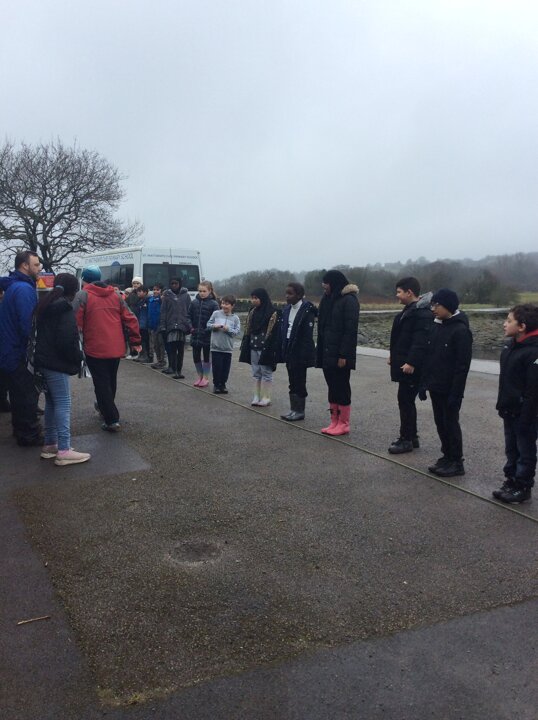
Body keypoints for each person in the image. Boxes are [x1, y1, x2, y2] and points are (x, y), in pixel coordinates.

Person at [73, 265, 141, 432]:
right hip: (116, 346)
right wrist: (135, 341)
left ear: (84, 280)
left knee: (101, 382)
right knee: (111, 380)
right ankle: (105, 407)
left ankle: (111, 418)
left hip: (95, 346)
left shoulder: (83, 295)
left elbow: (76, 321)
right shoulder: (116, 295)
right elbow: (131, 318)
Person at [35, 273, 90, 466]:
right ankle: (64, 450)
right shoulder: (64, 309)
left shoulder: (46, 305)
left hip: (44, 361)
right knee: (64, 403)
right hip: (57, 364)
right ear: (73, 291)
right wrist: (78, 357)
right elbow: (67, 341)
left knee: (51, 402)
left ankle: (51, 444)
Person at [420, 288, 473, 477]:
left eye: (437, 305)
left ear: (448, 306)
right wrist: (423, 384)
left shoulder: (460, 330)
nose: (433, 309)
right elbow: (429, 357)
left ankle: (456, 461)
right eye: (432, 305)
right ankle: (447, 455)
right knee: (440, 422)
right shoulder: (436, 326)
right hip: (436, 386)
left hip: (450, 389)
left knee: (450, 423)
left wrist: (456, 394)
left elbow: (462, 367)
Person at [492, 304, 538, 504]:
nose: (504, 324)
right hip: (509, 409)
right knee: (511, 449)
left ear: (522, 326)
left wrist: (526, 418)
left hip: (525, 414)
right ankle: (511, 480)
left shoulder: (533, 352)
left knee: (525, 451)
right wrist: (502, 404)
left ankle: (523, 486)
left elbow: (533, 391)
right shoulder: (509, 347)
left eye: (509, 321)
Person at [0, 250, 43, 445]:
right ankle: (29, 435)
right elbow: (28, 325)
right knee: (26, 396)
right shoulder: (24, 290)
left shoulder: (14, 286)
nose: (39, 268)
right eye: (36, 265)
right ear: (25, 266)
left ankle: (21, 431)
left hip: (9, 351)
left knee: (18, 396)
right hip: (18, 353)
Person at [387, 277, 433, 453]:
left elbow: (420, 341)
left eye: (399, 292)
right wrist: (393, 356)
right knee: (405, 401)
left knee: (406, 401)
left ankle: (406, 439)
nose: (397, 295)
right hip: (404, 363)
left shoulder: (421, 313)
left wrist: (411, 362)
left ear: (409, 292)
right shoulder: (410, 310)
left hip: (412, 368)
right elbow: (403, 338)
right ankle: (412, 437)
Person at [316, 270, 360, 435]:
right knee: (332, 387)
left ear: (334, 283)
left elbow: (350, 331)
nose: (324, 286)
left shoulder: (349, 300)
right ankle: (334, 421)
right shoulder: (327, 299)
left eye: (326, 283)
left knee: (342, 387)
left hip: (340, 354)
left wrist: (343, 355)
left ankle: (344, 423)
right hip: (327, 351)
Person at [279, 282, 317, 421]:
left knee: (299, 381)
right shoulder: (287, 309)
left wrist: (304, 354)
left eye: (290, 293)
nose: (287, 296)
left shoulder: (307, 310)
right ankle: (293, 409)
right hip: (288, 348)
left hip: (300, 351)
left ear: (299, 295)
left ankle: (300, 410)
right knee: (292, 381)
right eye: (286, 293)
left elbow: (307, 335)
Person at [239, 288, 280, 407]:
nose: (253, 300)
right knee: (256, 372)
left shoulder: (273, 313)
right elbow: (248, 329)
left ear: (262, 298)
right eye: (252, 298)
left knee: (266, 372)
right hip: (253, 346)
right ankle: (256, 396)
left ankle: (266, 397)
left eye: (256, 298)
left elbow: (275, 332)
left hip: (266, 348)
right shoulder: (252, 312)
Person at [207, 295, 241, 394]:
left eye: (227, 304)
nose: (224, 306)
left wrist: (228, 329)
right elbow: (208, 325)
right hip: (216, 347)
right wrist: (214, 326)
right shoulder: (216, 314)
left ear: (232, 306)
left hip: (227, 348)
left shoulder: (235, 318)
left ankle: (223, 384)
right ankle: (216, 385)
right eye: (222, 303)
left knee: (225, 369)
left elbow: (236, 332)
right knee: (217, 367)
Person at [160, 277, 191, 379]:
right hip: (170, 326)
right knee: (172, 349)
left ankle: (179, 371)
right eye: (172, 283)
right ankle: (172, 367)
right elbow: (163, 312)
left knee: (180, 350)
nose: (174, 285)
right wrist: (163, 326)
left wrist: (189, 325)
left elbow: (189, 311)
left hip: (182, 326)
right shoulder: (167, 296)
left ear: (180, 284)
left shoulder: (186, 296)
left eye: (176, 283)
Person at [189, 281, 219, 387]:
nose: (202, 293)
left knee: (206, 357)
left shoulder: (214, 304)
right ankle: (200, 376)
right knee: (196, 357)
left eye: (204, 291)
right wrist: (191, 327)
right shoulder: (194, 303)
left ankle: (205, 378)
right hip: (195, 334)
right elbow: (188, 316)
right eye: (200, 291)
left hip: (207, 335)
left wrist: (208, 329)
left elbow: (216, 319)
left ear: (209, 291)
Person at [149, 284, 166, 369]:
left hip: (160, 325)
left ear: (161, 291)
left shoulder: (161, 299)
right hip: (153, 325)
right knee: (155, 345)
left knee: (161, 344)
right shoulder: (151, 299)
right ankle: (159, 360)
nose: (155, 291)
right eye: (154, 289)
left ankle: (162, 361)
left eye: (157, 290)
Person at [133, 285, 151, 363]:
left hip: (145, 324)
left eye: (140, 291)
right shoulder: (139, 301)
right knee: (141, 340)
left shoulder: (148, 301)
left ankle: (147, 356)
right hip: (140, 323)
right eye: (138, 291)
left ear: (145, 292)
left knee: (146, 341)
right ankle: (141, 355)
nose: (138, 293)